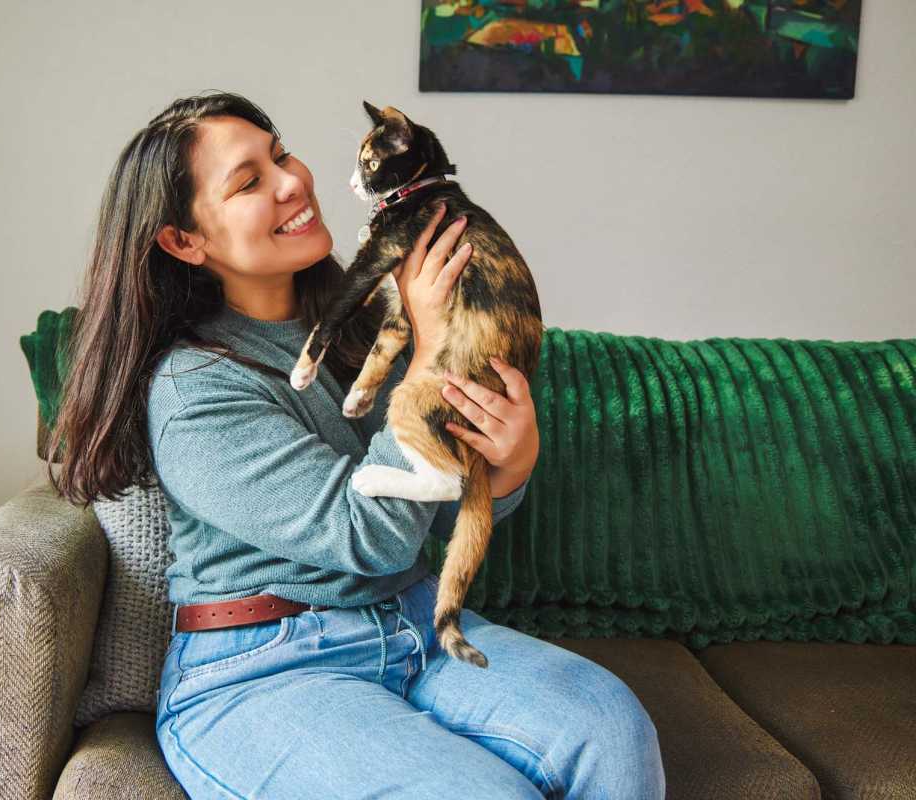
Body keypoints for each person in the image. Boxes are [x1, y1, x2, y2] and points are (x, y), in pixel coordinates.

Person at [48, 91, 665, 800]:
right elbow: (371, 537)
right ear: (185, 242)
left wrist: (507, 469)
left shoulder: (369, 328)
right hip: (267, 669)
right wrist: (433, 351)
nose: (292, 181)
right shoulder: (196, 387)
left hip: (416, 623)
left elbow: (432, 513)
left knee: (610, 725)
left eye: (280, 153)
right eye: (249, 181)